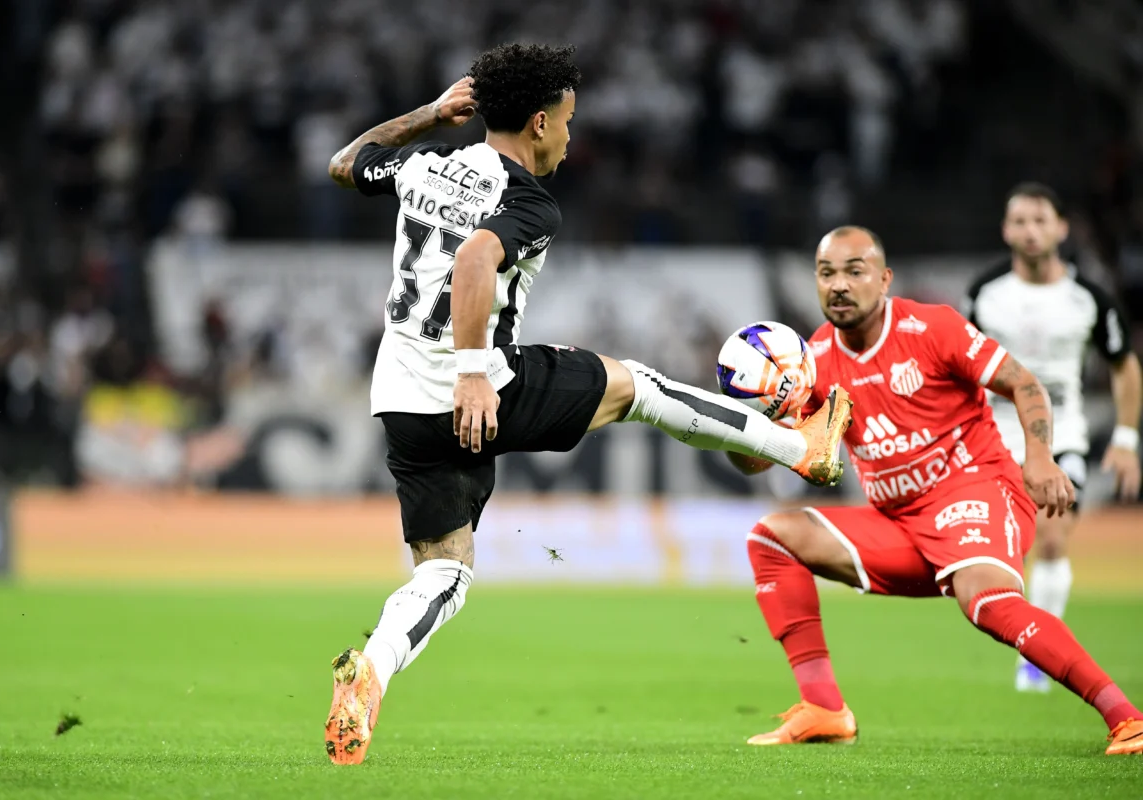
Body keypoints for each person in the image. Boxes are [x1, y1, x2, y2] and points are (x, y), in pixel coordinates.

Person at [319, 43, 853, 765]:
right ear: (539, 123)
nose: (572, 140)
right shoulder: (529, 200)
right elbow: (477, 259)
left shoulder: (424, 165)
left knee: (444, 569)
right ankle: (802, 448)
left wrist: (429, 116)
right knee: (639, 386)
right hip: (480, 388)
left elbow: (346, 164)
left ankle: (371, 674)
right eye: (568, 121)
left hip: (402, 401)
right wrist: (476, 372)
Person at [731, 226, 1142, 755]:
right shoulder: (813, 364)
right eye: (826, 272)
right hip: (899, 525)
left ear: (884, 279)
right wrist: (753, 420)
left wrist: (1038, 458)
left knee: (988, 602)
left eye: (854, 271)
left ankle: (1126, 718)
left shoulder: (932, 327)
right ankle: (824, 708)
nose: (838, 284)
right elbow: (752, 463)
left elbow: (1024, 382)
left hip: (977, 491)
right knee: (771, 537)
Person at [964, 183, 1142, 693]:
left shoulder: (1089, 298)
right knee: (1001, 551)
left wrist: (1126, 436)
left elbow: (1124, 366)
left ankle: (1035, 658)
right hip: (993, 437)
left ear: (1062, 228)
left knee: (1053, 538)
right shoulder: (984, 293)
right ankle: (1026, 636)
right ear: (1005, 230)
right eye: (1019, 221)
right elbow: (956, 360)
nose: (1030, 230)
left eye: (1040, 220)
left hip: (1063, 437)